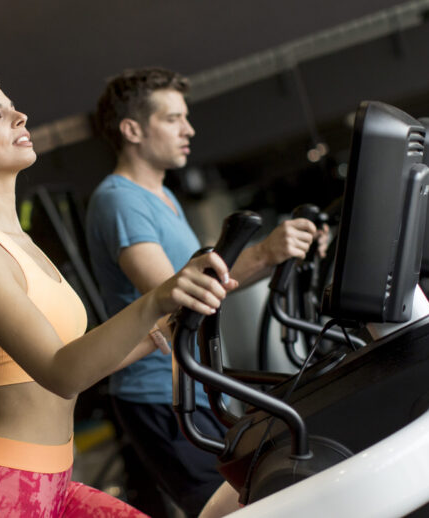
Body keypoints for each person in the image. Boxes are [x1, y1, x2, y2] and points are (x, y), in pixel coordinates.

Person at [0, 73, 236, 518]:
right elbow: (60, 372)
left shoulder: (22, 243)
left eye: (15, 107)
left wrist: (157, 329)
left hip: (54, 485)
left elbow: (77, 361)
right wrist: (155, 300)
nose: (21, 116)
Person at [86, 67, 327, 517]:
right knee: (228, 511)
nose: (189, 129)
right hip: (158, 393)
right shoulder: (119, 199)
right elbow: (174, 295)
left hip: (196, 381)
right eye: (174, 118)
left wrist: (276, 252)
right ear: (133, 129)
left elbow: (214, 280)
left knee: (255, 496)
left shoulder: (163, 197)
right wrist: (264, 252)